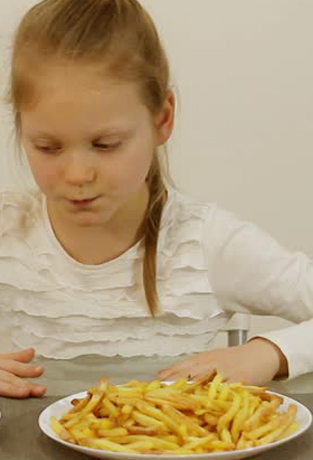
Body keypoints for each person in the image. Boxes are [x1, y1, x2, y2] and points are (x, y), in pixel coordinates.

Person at [0, 0, 312, 399]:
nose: (77, 175)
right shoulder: (9, 227)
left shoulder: (206, 241)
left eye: (105, 144)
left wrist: (267, 353)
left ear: (162, 119)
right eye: (47, 147)